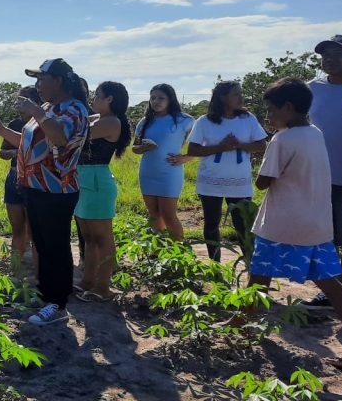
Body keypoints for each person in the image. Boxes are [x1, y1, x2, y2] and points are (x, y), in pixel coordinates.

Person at [245, 78, 342, 373]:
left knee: (258, 275)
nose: (268, 117)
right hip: (316, 223)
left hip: (284, 224)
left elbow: (262, 182)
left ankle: (243, 322)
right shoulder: (315, 133)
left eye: (270, 110)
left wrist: (256, 158)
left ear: (289, 108)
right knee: (332, 284)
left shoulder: (282, 139)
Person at [0, 58, 90, 326]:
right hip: (34, 187)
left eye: (42, 79)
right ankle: (46, 296)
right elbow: (27, 142)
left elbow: (59, 138)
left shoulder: (74, 110)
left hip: (57, 189)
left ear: (59, 81)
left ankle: (59, 304)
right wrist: (0, 129)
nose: (38, 85)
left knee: (56, 247)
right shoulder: (47, 107)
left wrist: (37, 112)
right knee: (42, 245)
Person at [303, 34, 342, 310]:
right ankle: (334, 294)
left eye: (339, 53)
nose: (331, 59)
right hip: (316, 179)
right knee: (324, 240)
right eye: (326, 54)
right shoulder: (311, 89)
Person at [187, 81, 267, 262]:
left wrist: (240, 145)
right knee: (211, 225)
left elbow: (262, 145)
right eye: (236, 94)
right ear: (222, 98)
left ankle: (249, 268)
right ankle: (215, 267)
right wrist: (221, 147)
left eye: (241, 93)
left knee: (243, 226)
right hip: (211, 183)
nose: (241, 98)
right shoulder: (205, 121)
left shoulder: (248, 119)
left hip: (240, 184)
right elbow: (193, 150)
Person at [74, 81, 132, 302]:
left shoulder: (111, 122)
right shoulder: (98, 118)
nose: (93, 99)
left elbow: (75, 132)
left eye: (98, 95)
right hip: (84, 178)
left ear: (109, 99)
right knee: (88, 236)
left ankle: (103, 286)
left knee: (102, 236)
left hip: (96, 180)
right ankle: (88, 281)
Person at [133, 84, 195, 241]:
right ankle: (158, 252)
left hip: (170, 171)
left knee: (168, 214)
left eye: (161, 98)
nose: (156, 101)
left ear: (170, 99)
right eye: (153, 97)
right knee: (153, 214)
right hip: (148, 171)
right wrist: (143, 148)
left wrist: (186, 157)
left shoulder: (184, 120)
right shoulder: (145, 121)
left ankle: (179, 252)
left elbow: (202, 143)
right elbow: (135, 147)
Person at [0, 87, 42, 261]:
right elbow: (2, 152)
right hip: (14, 176)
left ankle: (39, 276)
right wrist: (16, 152)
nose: (18, 104)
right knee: (17, 229)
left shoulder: (43, 125)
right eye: (18, 100)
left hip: (35, 178)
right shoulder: (14, 125)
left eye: (23, 100)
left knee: (34, 231)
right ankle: (16, 270)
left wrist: (21, 151)